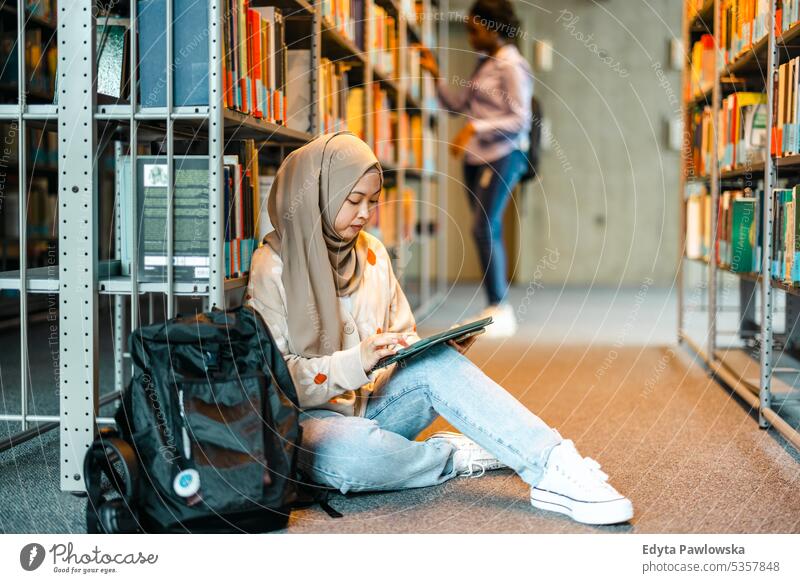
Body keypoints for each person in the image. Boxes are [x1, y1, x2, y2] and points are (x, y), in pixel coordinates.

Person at [246, 132, 633, 525]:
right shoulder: (270, 267)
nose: (365, 214)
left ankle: (552, 463)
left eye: (373, 202)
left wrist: (422, 349)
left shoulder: (373, 252)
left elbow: (401, 334)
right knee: (349, 457)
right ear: (316, 194)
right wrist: (356, 360)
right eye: (353, 201)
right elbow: (277, 381)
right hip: (308, 423)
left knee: (437, 363)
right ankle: (452, 455)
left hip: (373, 404)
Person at [420, 0, 532, 337]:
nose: (470, 36)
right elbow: (458, 106)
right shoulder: (485, 63)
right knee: (484, 229)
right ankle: (494, 306)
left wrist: (475, 129)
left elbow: (521, 118)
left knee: (485, 226)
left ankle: (500, 308)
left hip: (505, 154)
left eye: (474, 29)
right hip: (475, 159)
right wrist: (436, 75)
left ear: (493, 26)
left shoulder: (512, 64)